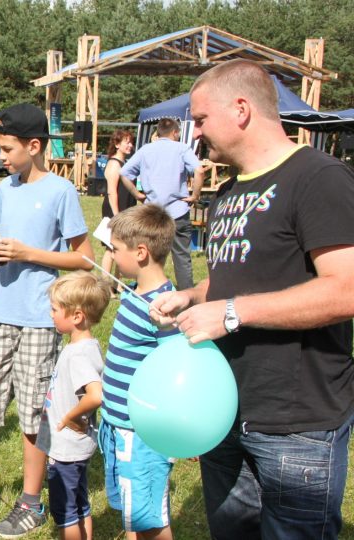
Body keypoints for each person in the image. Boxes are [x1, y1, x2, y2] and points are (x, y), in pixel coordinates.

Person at [150, 59, 354, 540]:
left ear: (241, 109)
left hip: (296, 423)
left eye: (200, 120)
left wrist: (231, 313)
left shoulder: (318, 178)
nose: (194, 135)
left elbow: (346, 289)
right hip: (223, 410)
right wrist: (191, 295)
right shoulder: (226, 193)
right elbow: (236, 280)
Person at [0, 103, 94, 539]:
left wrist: (29, 255)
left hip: (39, 319)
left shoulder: (60, 192)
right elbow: (3, 243)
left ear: (34, 146)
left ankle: (31, 503)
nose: (0, 155)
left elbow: (85, 259)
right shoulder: (4, 189)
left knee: (34, 412)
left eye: (7, 148)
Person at [100, 204, 182, 540]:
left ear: (141, 252)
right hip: (118, 425)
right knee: (135, 514)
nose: (112, 256)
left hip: (141, 433)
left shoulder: (163, 306)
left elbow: (174, 369)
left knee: (150, 522)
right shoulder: (134, 293)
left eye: (116, 250)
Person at [33, 271, 108, 540]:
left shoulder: (77, 355)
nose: (51, 313)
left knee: (65, 513)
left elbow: (95, 395)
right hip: (77, 446)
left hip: (66, 449)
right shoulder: (87, 346)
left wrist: (68, 417)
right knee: (80, 503)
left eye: (55, 309)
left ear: (76, 316)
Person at [119, 118, 209, 290]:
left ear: (158, 132)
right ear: (175, 132)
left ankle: (146, 290)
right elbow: (198, 170)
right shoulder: (182, 149)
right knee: (181, 256)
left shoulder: (146, 150)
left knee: (148, 255)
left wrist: (138, 194)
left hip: (152, 213)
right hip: (178, 211)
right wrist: (195, 195)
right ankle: (187, 295)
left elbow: (124, 173)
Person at [100, 129, 137, 290]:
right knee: (111, 248)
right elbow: (111, 191)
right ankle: (106, 285)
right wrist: (116, 216)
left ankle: (117, 284)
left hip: (125, 210)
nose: (130, 145)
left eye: (131, 142)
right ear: (117, 144)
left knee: (122, 247)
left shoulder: (124, 163)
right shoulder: (114, 164)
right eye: (126, 142)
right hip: (114, 211)